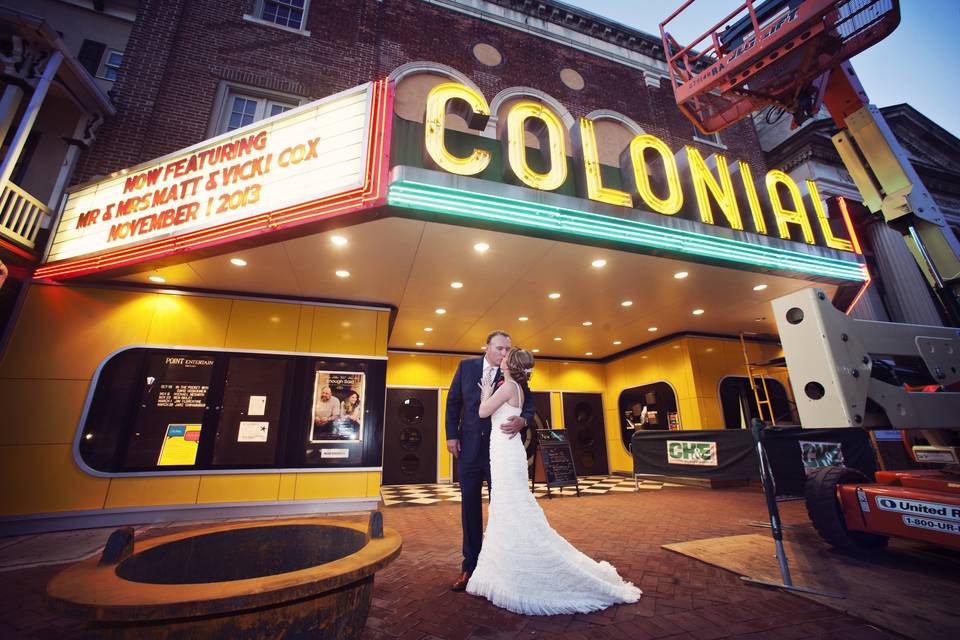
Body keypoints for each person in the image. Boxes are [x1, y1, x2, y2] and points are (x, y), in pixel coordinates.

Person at [466, 348, 642, 615]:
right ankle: (503, 567)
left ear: (510, 365)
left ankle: (520, 566)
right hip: (505, 451)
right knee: (508, 506)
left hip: (504, 452)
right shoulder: (517, 387)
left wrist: (486, 389)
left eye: (505, 356)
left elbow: (482, 412)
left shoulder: (507, 387)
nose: (501, 358)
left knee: (509, 506)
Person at [446, 330, 534, 592]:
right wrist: (451, 435)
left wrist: (524, 420)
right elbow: (453, 403)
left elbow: (529, 403)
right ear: (486, 347)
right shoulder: (466, 367)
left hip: (500, 452)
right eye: (499, 349)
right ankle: (469, 568)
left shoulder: (513, 374)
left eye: (508, 349)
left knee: (503, 508)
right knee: (469, 508)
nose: (504, 354)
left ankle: (505, 566)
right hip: (469, 451)